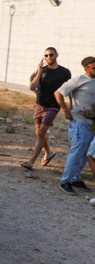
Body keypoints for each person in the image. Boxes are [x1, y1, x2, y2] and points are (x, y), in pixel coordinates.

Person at [20, 47, 71, 170]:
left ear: (56, 55)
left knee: (42, 132)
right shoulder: (42, 70)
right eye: (46, 56)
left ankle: (31, 161)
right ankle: (48, 152)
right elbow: (32, 87)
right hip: (39, 105)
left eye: (51, 55)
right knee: (39, 133)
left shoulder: (64, 72)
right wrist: (38, 71)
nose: (49, 58)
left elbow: (70, 89)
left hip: (53, 107)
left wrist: (70, 107)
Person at [55, 56, 95, 194]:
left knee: (85, 154)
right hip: (80, 124)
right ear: (86, 69)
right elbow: (58, 93)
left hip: (92, 125)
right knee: (76, 153)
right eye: (94, 67)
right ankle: (65, 181)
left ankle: (76, 179)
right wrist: (66, 110)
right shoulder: (79, 80)